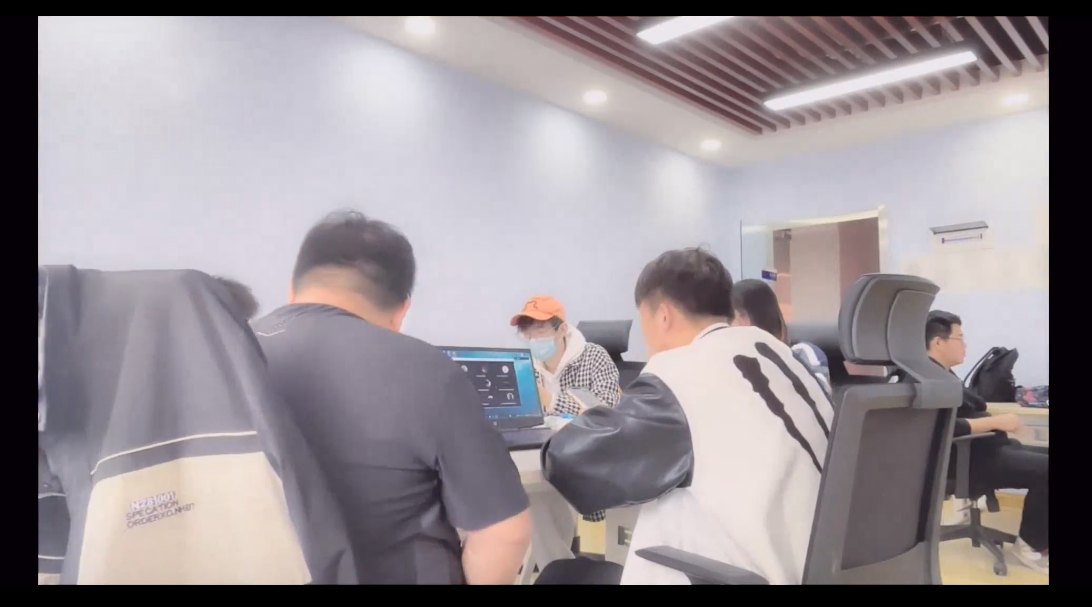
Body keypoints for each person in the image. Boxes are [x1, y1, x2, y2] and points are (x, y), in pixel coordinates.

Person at [251, 210, 532, 585]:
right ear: (401, 312)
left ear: (292, 289)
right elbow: (504, 533)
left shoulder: (224, 357)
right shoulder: (426, 369)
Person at [541, 247, 834, 585]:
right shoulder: (785, 358)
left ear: (663, 316)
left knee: (560, 575)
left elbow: (569, 461)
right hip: (811, 569)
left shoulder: (683, 372)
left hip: (737, 575)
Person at [921, 310, 1048, 574]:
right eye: (960, 338)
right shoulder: (930, 380)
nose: (965, 345)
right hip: (969, 461)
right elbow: (943, 427)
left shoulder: (943, 375)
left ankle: (1040, 535)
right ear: (938, 342)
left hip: (985, 451)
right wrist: (997, 422)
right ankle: (1030, 546)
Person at [511, 295, 622, 418]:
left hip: (581, 431)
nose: (533, 340)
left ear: (562, 330)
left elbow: (604, 415)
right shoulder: (526, 365)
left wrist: (550, 400)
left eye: (540, 331)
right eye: (527, 334)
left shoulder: (594, 357)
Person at [730, 278, 832, 396]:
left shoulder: (802, 353)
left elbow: (820, 397)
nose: (732, 326)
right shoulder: (733, 363)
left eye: (738, 316)